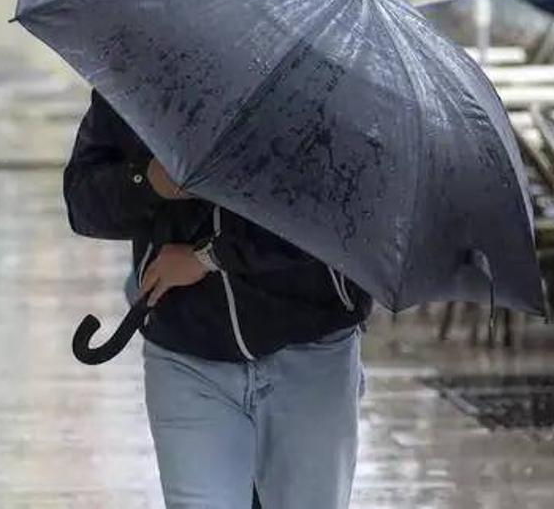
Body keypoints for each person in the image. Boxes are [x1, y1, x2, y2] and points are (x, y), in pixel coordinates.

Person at [64, 92, 371, 509]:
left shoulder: (327, 78)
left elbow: (343, 213)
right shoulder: (140, 70)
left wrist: (209, 257)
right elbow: (83, 204)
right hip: (187, 352)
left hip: (313, 350)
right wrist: (150, 181)